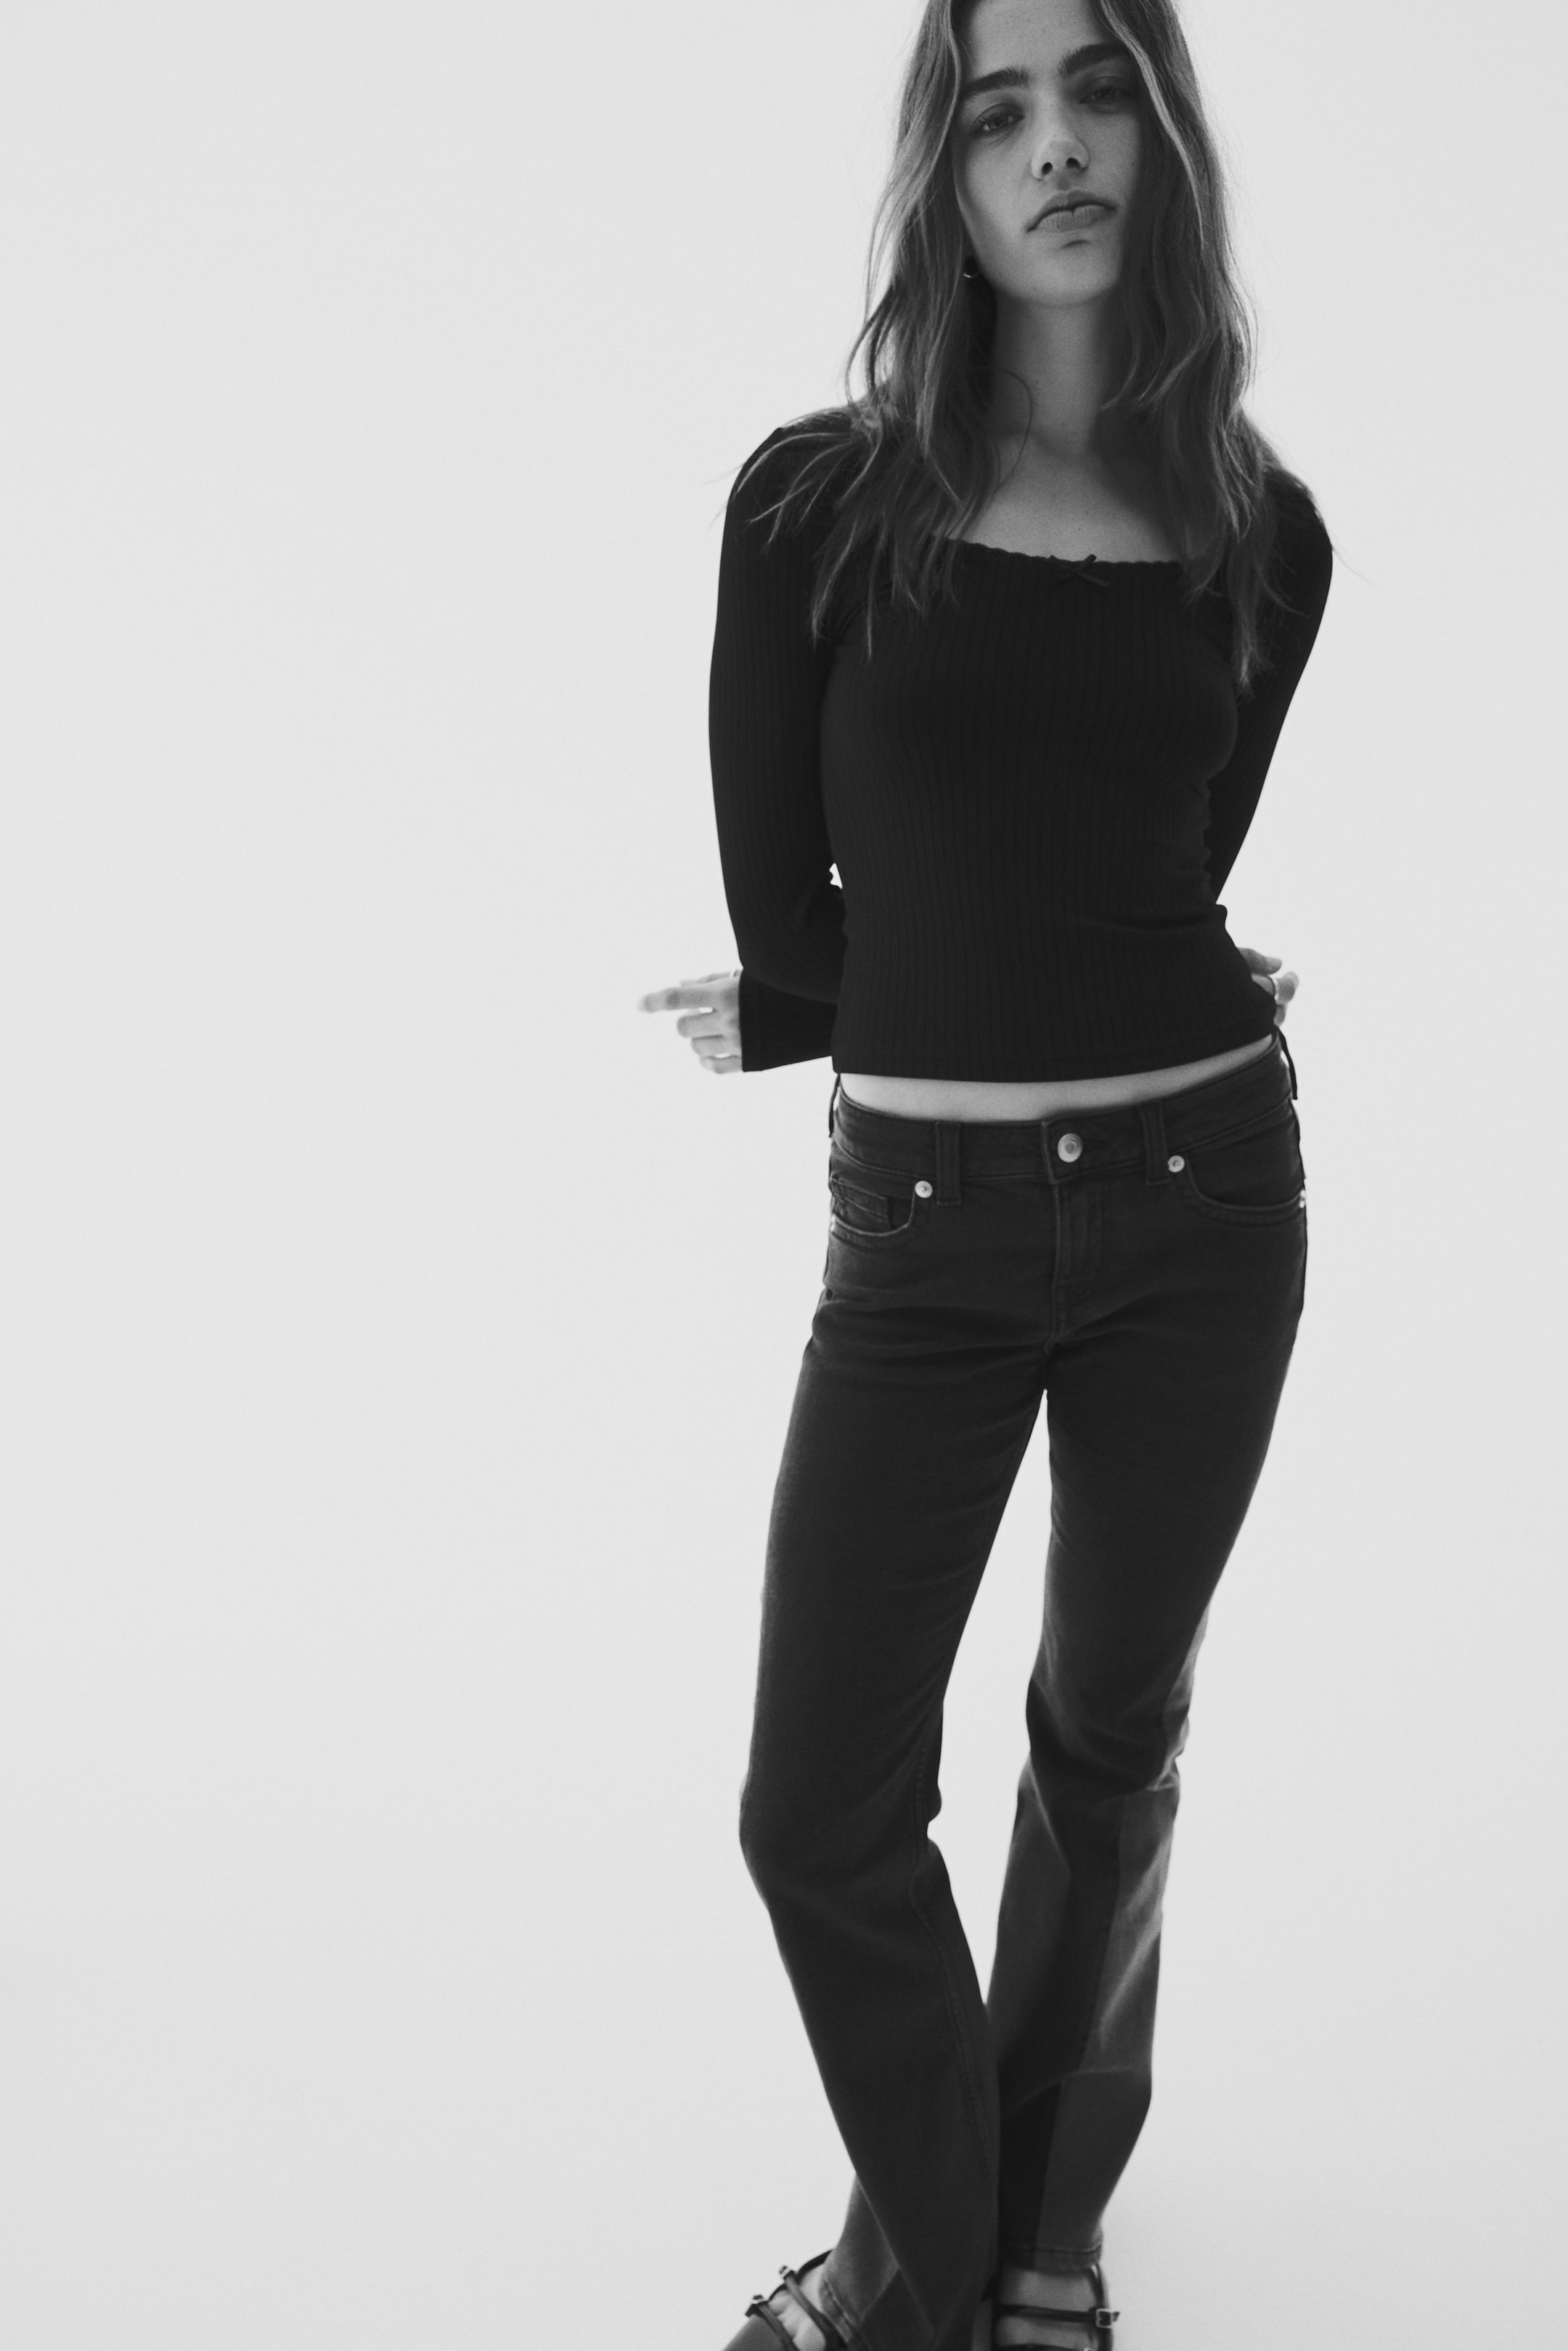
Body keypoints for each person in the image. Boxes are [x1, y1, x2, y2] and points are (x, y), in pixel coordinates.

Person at [640, 0, 1332, 2344]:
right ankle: (937, 2273)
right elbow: (792, 918)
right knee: (818, 1807)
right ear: (943, 171)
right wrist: (827, 1005)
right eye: (999, 107)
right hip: (921, 1239)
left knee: (1106, 1746)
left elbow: (1164, 876)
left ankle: (1043, 2244)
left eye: (1100, 86)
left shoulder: (1264, 535)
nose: (1056, 146)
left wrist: (1076, 978)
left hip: (1206, 1203)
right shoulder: (811, 509)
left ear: (1165, 133)